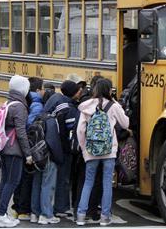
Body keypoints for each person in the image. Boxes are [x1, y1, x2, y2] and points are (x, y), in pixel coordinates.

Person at [75, 78, 129, 226]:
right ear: (109, 90)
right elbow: (125, 123)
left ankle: (80, 215)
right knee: (107, 184)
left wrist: (85, 148)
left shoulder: (86, 106)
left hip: (91, 151)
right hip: (109, 151)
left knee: (88, 182)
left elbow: (80, 130)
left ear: (95, 89)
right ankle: (105, 217)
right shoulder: (114, 106)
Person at [0, 75, 33, 228]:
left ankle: (0, 213)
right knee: (12, 182)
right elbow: (21, 132)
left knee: (5, 182)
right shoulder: (20, 106)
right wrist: (28, 154)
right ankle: (0, 214)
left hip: (5, 148)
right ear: (23, 89)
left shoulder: (8, 103)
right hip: (14, 150)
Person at [44, 80, 82, 218]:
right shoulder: (68, 108)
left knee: (49, 178)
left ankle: (50, 207)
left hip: (51, 143)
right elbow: (71, 129)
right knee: (63, 178)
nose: (80, 92)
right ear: (73, 92)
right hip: (62, 147)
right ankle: (61, 207)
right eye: (78, 90)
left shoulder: (55, 99)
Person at [30, 77, 64, 225]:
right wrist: (59, 157)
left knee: (37, 184)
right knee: (48, 185)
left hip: (37, 156)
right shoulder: (51, 119)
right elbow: (53, 142)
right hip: (48, 157)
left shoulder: (38, 116)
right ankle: (46, 214)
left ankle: (34, 213)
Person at [11, 77, 45, 221]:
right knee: (27, 178)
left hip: (19, 144)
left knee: (19, 179)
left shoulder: (24, 101)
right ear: (37, 90)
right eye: (42, 88)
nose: (44, 91)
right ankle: (23, 209)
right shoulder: (37, 105)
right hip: (28, 145)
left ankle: (17, 207)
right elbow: (30, 126)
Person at [72, 75, 105, 221]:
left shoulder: (83, 103)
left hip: (85, 148)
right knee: (96, 180)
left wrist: (82, 147)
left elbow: (79, 128)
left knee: (83, 180)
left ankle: (79, 210)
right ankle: (93, 210)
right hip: (101, 149)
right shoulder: (108, 104)